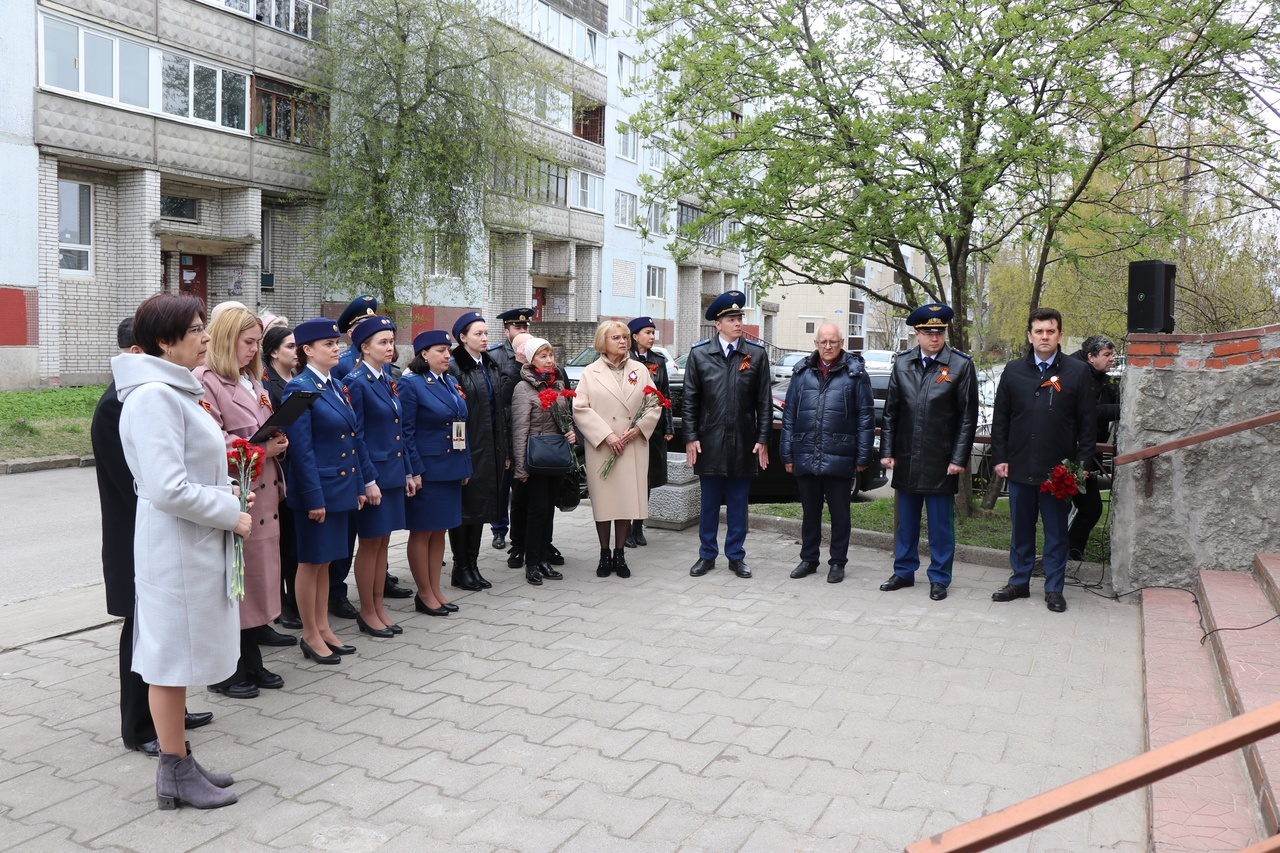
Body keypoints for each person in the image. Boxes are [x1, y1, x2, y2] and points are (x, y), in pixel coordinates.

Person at [111, 292, 250, 810]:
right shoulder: (153, 398)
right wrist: (228, 510)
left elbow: (193, 473)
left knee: (180, 653)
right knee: (168, 658)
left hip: (190, 540)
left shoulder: (173, 391)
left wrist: (232, 494)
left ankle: (180, 762)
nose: (206, 336)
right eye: (196, 329)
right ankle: (172, 770)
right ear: (165, 342)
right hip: (174, 547)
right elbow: (167, 488)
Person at [92, 318, 214, 758]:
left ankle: (169, 717)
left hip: (159, 529)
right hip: (136, 534)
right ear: (139, 350)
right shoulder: (119, 404)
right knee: (143, 634)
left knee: (165, 634)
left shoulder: (154, 394)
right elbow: (137, 483)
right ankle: (140, 726)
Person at [195, 307, 291, 698]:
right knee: (237, 585)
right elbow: (211, 443)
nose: (254, 350)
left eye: (256, 343)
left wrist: (278, 444)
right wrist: (262, 449)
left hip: (265, 498)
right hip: (238, 495)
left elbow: (262, 424)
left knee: (256, 583)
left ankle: (251, 659)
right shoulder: (206, 381)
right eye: (248, 342)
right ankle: (225, 670)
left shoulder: (254, 380)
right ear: (224, 339)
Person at [281, 318, 378, 663]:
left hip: (340, 488)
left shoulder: (333, 384)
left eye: (336, 343)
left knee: (326, 563)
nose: (336, 348)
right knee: (311, 562)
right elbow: (301, 451)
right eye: (328, 344)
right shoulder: (299, 388)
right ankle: (310, 633)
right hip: (318, 492)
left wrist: (358, 485)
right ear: (307, 351)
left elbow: (352, 440)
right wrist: (313, 498)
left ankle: (323, 627)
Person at [990, 307, 1097, 613]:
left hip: (1058, 471)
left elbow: (1088, 426)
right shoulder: (1013, 371)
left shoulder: (1077, 373)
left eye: (1050, 331)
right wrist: (1000, 457)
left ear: (1059, 335)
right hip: (1020, 464)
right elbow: (1001, 420)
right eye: (1039, 331)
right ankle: (1019, 582)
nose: (1045, 336)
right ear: (1030, 335)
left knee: (1056, 533)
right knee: (1021, 530)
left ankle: (1054, 588)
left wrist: (1082, 467)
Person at [878, 305, 979, 600]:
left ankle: (939, 577)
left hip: (940, 458)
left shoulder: (960, 365)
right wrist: (887, 451)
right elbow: (890, 412)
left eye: (939, 332)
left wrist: (958, 458)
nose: (934, 338)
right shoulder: (902, 363)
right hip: (908, 456)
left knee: (940, 526)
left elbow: (967, 418)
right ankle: (903, 571)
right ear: (916, 333)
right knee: (905, 522)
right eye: (927, 332)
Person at [682, 291, 773, 579]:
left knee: (737, 505)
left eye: (739, 318)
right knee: (708, 504)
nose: (737, 323)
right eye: (731, 319)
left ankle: (736, 556)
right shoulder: (699, 355)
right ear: (717, 325)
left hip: (743, 442)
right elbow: (689, 401)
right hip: (709, 441)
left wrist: (762, 439)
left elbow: (764, 402)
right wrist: (691, 437)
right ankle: (706, 555)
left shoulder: (755, 355)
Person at [780, 323, 876, 584]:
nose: (828, 346)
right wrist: (787, 454)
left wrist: (863, 456)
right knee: (810, 512)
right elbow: (789, 416)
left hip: (840, 453)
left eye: (833, 341)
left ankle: (838, 563)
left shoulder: (855, 373)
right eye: (823, 342)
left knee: (840, 514)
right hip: (807, 453)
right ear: (816, 343)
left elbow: (866, 418)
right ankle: (809, 559)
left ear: (841, 342)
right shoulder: (802, 373)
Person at [573, 322, 663, 578]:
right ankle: (604, 554)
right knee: (604, 503)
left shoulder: (640, 369)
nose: (623, 342)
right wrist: (606, 435)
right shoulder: (591, 372)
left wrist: (639, 428)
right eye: (616, 338)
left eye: (625, 337)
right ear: (603, 342)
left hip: (630, 445)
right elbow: (580, 408)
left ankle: (620, 554)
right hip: (603, 446)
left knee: (624, 502)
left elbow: (654, 402)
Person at [342, 315, 414, 638]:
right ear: (364, 346)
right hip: (375, 476)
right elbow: (355, 435)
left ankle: (378, 606)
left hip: (392, 473)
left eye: (391, 341)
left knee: (383, 543)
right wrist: (367, 479)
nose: (390, 347)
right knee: (370, 545)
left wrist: (408, 471)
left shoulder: (384, 377)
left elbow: (397, 429)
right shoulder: (357, 381)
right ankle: (367, 611)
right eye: (382, 342)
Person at [400, 330, 472, 615]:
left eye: (448, 350)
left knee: (440, 530)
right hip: (427, 470)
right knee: (422, 532)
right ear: (424, 354)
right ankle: (424, 593)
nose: (447, 355)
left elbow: (461, 425)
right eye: (440, 350)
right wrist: (414, 469)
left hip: (450, 468)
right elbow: (405, 433)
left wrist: (464, 463)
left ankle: (435, 589)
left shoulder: (451, 382)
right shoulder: (411, 384)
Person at [447, 312, 510, 591]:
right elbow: (455, 418)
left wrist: (504, 449)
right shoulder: (454, 368)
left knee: (482, 507)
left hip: (491, 447)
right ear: (462, 338)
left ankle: (472, 565)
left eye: (486, 333)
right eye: (478, 334)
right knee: (465, 510)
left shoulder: (490, 365)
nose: (485, 338)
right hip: (469, 447)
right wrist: (460, 451)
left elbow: (500, 411)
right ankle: (461, 567)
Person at [327, 294, 380, 619]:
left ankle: (376, 580)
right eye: (363, 325)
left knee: (375, 533)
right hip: (351, 460)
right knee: (344, 536)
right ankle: (336, 591)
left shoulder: (380, 366)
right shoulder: (346, 366)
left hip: (374, 459)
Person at [510, 337, 578, 585]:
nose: (549, 360)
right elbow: (519, 430)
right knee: (536, 510)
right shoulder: (523, 389)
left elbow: (565, 418)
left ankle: (543, 559)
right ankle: (532, 564)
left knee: (549, 509)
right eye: (542, 356)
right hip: (536, 458)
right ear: (530, 361)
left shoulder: (559, 384)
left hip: (556, 458)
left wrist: (570, 432)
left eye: (550, 355)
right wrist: (520, 469)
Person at [1068, 334, 1120, 561]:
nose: (1112, 360)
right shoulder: (1078, 374)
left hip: (1085, 454)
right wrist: (1121, 409)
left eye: (1112, 355)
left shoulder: (1096, 375)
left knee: (1088, 508)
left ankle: (1070, 553)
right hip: (1073, 454)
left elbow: (1105, 398)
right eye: (1107, 355)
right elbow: (1089, 412)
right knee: (1088, 507)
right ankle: (1067, 554)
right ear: (1091, 356)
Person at [262, 325, 301, 630]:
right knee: (283, 538)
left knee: (295, 539)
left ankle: (296, 595)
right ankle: (282, 602)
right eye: (290, 346)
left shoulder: (300, 381)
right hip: (278, 467)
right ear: (274, 351)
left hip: (298, 464)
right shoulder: (268, 384)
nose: (296, 351)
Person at [625, 317, 674, 548]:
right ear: (634, 336)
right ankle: (625, 527)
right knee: (629, 478)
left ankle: (638, 525)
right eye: (647, 332)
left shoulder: (658, 360)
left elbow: (664, 395)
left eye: (654, 332)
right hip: (629, 428)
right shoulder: (625, 360)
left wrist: (668, 426)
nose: (652, 336)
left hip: (652, 429)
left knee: (647, 478)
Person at [487, 306, 533, 551]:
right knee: (502, 485)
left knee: (523, 487)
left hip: (527, 428)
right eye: (517, 326)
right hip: (504, 428)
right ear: (506, 331)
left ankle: (522, 533)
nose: (522, 330)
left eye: (525, 326)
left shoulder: (535, 352)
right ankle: (498, 529)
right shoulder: (495, 356)